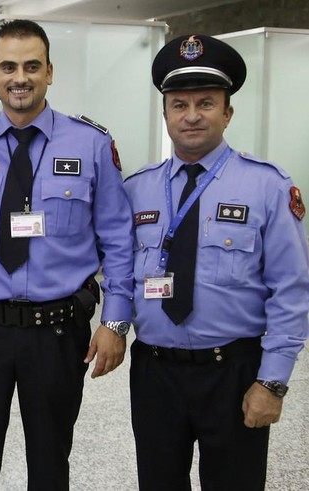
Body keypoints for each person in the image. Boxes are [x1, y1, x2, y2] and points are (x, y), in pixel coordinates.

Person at [0, 19, 134, 490]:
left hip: (57, 333)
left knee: (50, 464)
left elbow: (119, 240)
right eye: (8, 67)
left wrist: (116, 322)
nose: (19, 77)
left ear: (49, 72)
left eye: (31, 66)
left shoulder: (92, 145)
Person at [125, 34, 309, 490]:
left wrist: (273, 382)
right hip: (154, 372)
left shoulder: (267, 186)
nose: (191, 116)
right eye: (179, 104)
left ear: (227, 112)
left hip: (234, 372)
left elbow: (291, 287)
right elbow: (118, 271)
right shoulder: (137, 189)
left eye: (206, 103)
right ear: (165, 113)